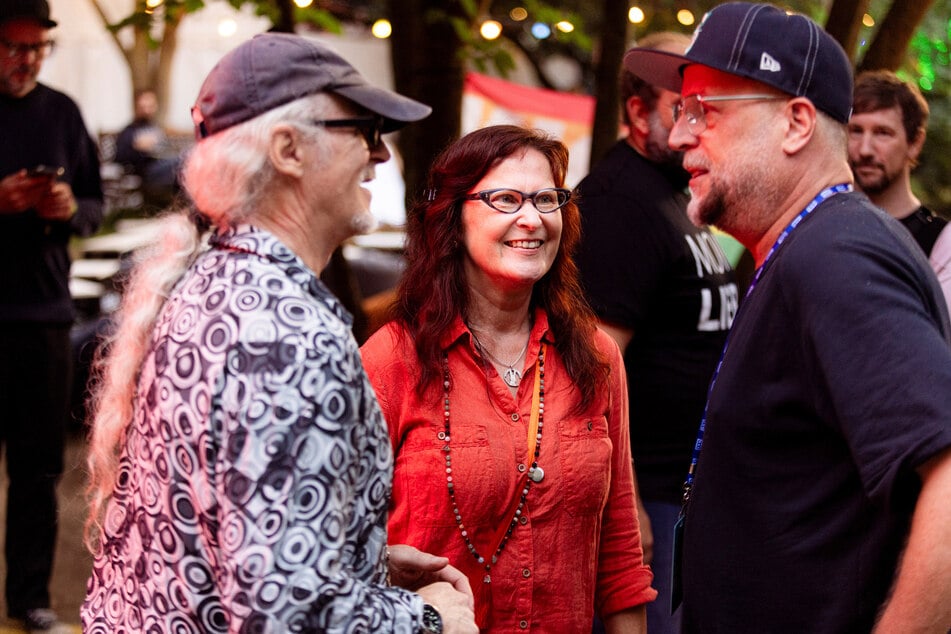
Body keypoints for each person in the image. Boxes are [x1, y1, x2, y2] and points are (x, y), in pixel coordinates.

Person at [82, 33, 477, 634]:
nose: (381, 156)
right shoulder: (284, 337)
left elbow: (229, 533)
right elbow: (288, 613)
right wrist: (426, 618)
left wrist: (356, 561)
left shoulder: (215, 282)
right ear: (289, 149)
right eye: (366, 131)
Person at [625, 3, 951, 632]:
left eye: (705, 110)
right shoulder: (808, 245)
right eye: (680, 109)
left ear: (797, 124)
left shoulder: (836, 256)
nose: (681, 133)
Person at [361, 124, 656, 633]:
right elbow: (339, 548)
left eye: (546, 199)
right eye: (505, 199)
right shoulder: (391, 360)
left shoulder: (596, 357)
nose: (532, 218)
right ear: (453, 218)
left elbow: (620, 555)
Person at [576, 31, 737, 634]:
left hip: (687, 491)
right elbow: (590, 368)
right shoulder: (619, 203)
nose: (695, 124)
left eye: (707, 108)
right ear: (637, 111)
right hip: (648, 497)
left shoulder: (676, 192)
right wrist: (629, 502)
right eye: (680, 107)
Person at [0, 0, 103, 631]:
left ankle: (30, 600)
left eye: (37, 48)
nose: (26, 59)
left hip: (44, 316)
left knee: (39, 469)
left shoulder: (62, 111)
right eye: (13, 47)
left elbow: (94, 204)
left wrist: (69, 207)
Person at [848, 69, 951, 313]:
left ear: (915, 143)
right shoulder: (818, 221)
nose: (865, 149)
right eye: (856, 130)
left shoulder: (941, 244)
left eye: (883, 133)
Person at [114, 88, 182, 205]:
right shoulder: (130, 131)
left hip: (162, 166)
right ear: (137, 107)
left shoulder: (155, 128)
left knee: (184, 162)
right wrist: (136, 148)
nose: (146, 110)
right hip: (146, 172)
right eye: (143, 106)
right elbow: (119, 157)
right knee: (183, 162)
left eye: (150, 106)